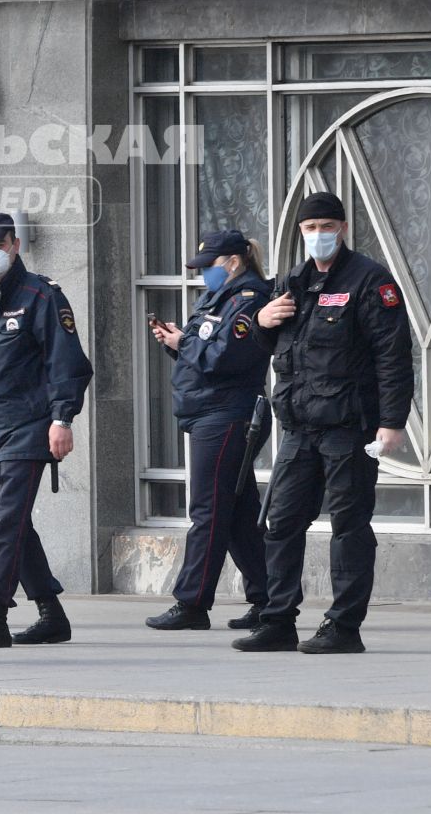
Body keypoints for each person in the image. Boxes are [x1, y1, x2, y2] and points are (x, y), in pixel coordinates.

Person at [234, 191, 412, 655]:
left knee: (349, 527)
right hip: (298, 427)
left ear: (343, 229)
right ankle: (277, 620)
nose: (319, 236)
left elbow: (393, 357)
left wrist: (391, 422)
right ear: (300, 233)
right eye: (311, 229)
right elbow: (269, 346)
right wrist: (263, 321)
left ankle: (343, 627)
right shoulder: (292, 280)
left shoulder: (371, 281)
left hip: (348, 428)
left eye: (327, 227)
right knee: (282, 522)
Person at [0, 212, 94, 649]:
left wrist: (62, 419)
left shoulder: (41, 296)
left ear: (15, 244)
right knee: (14, 524)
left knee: (7, 522)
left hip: (28, 428)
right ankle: (51, 611)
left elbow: (66, 364)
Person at [144, 228, 273, 632]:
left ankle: (192, 603)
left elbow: (227, 357)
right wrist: (174, 342)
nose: (204, 275)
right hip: (209, 412)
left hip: (229, 415)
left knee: (209, 510)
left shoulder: (250, 299)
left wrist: (184, 344)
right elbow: (201, 353)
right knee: (237, 513)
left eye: (210, 267)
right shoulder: (218, 297)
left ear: (234, 262)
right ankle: (270, 598)